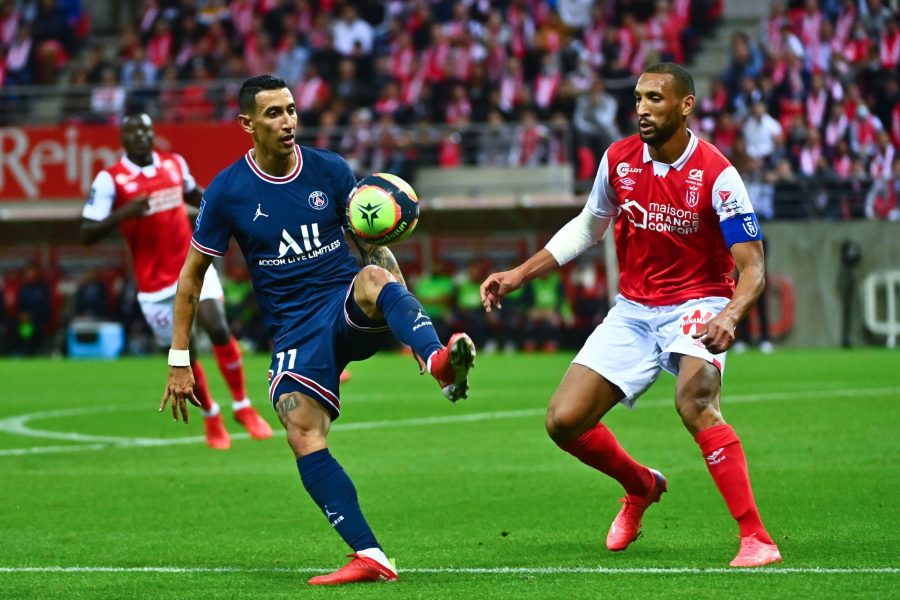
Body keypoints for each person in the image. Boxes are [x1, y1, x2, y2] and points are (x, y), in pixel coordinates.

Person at [161, 75, 475, 586]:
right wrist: (178, 359)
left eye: (291, 110)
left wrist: (410, 320)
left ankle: (438, 362)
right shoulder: (226, 192)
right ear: (247, 124)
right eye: (273, 114)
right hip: (293, 331)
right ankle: (371, 555)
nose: (287, 122)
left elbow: (372, 248)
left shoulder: (330, 170)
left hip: (344, 304)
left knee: (373, 277)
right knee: (302, 432)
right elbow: (193, 275)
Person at [480, 63, 782, 568]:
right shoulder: (618, 159)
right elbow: (587, 227)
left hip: (699, 301)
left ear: (686, 105)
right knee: (564, 421)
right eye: (638, 99)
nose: (642, 109)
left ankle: (756, 538)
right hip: (635, 310)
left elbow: (753, 267)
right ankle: (640, 485)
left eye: (655, 99)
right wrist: (518, 274)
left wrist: (730, 313)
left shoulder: (717, 175)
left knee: (695, 400)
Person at [81, 112, 273, 450]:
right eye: (133, 131)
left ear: (153, 134)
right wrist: (125, 213)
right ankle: (211, 414)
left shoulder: (173, 164)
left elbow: (195, 196)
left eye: (145, 129)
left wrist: (231, 210)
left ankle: (242, 406)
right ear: (123, 139)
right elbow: (87, 233)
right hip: (154, 286)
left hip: (191, 267)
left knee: (218, 327)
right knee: (187, 352)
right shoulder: (110, 180)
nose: (141, 135)